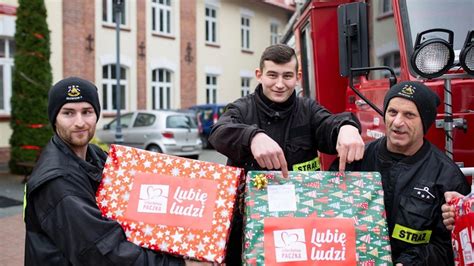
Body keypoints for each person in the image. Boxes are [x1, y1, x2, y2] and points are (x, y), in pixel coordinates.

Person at [208, 44, 365, 264]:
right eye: (272, 75)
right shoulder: (242, 109)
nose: (280, 84)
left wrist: (347, 127)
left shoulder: (308, 111)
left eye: (287, 76)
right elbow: (218, 133)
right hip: (245, 226)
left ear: (298, 77)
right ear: (259, 75)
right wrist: (252, 137)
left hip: (297, 225)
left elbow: (329, 124)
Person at [24, 77, 206, 265]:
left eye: (87, 112)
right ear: (55, 119)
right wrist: (175, 263)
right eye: (68, 113)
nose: (80, 122)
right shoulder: (57, 181)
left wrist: (182, 238)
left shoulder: (96, 156)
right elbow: (103, 253)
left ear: (96, 115)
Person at [331, 81, 470, 265]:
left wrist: (408, 263)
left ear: (425, 122)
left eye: (409, 115)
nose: (397, 122)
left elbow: (448, 246)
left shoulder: (447, 177)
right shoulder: (357, 159)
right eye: (392, 112)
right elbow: (328, 213)